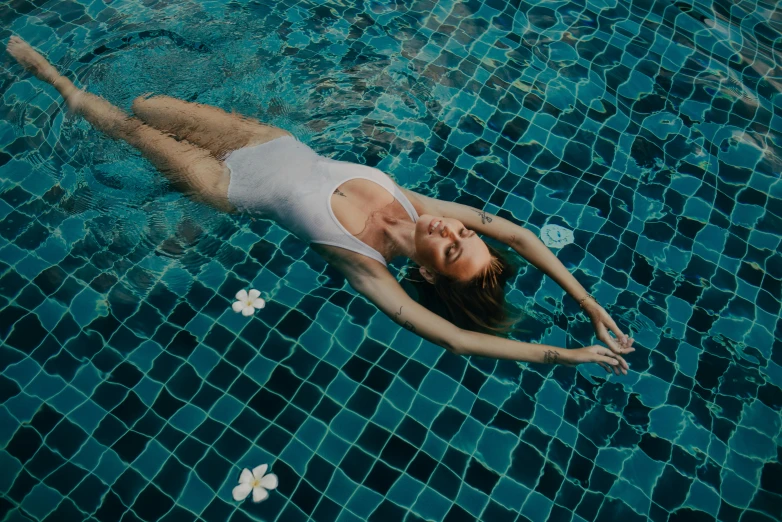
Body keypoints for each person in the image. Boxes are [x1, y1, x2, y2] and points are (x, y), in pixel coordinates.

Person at [6, 36, 635, 374]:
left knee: (128, 128)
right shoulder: (417, 204)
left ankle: (54, 79)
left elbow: (456, 339)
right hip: (263, 141)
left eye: (449, 248)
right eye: (466, 237)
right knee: (147, 103)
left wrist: (566, 353)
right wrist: (588, 303)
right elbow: (521, 235)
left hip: (226, 189)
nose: (453, 229)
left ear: (425, 272)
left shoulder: (368, 269)